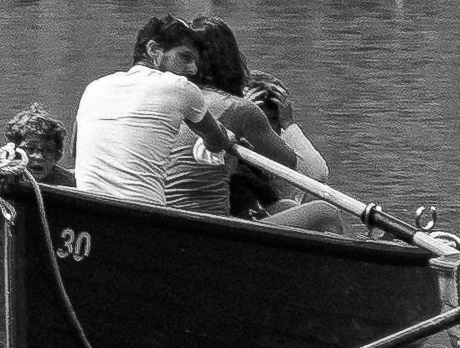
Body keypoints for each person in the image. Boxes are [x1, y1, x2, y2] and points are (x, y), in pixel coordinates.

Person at [168, 17, 346, 233]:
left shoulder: (167, 99)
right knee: (325, 212)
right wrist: (285, 124)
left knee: (286, 205)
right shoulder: (238, 108)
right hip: (211, 227)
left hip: (164, 214)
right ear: (231, 61)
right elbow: (298, 166)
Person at [72, 15, 235, 206]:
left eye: (195, 62)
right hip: (144, 214)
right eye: (185, 57)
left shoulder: (94, 87)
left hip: (86, 207)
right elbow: (217, 141)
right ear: (153, 50)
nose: (192, 69)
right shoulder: (181, 87)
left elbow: (74, 149)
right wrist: (229, 136)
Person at [244, 70, 330, 206]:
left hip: (271, 215)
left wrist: (288, 124)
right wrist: (242, 113)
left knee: (317, 197)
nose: (267, 128)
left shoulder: (280, 147)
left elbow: (317, 175)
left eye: (273, 120)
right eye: (259, 120)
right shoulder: (229, 137)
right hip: (238, 214)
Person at [4, 103, 75, 187]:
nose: (39, 157)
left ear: (57, 156)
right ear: (15, 153)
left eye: (48, 150)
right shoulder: (2, 178)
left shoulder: (67, 183)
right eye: (30, 149)